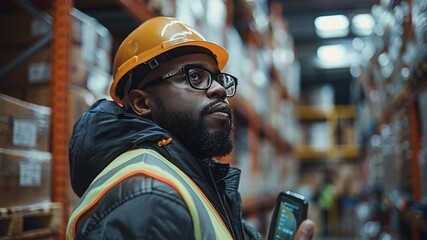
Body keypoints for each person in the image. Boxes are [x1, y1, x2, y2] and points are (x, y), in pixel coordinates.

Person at [66, 16, 315, 239]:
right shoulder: (150, 200)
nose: (218, 89)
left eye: (218, 78)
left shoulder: (193, 176)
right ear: (142, 103)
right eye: (194, 76)